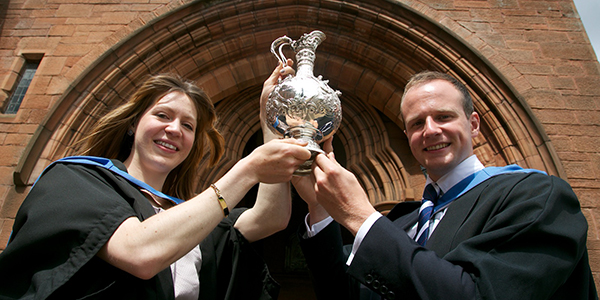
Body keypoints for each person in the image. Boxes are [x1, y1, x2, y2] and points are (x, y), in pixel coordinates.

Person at [0, 62, 310, 300]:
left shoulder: (190, 218)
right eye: (163, 115)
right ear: (134, 124)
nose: (175, 129)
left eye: (187, 126)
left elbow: (271, 217)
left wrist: (271, 122)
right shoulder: (76, 179)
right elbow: (138, 252)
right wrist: (245, 171)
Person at [294, 70, 598, 299]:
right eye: (416, 123)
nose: (430, 130)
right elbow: (344, 294)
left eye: (443, 116)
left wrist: (360, 216)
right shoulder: (404, 222)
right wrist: (319, 207)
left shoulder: (535, 197)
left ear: (474, 124)